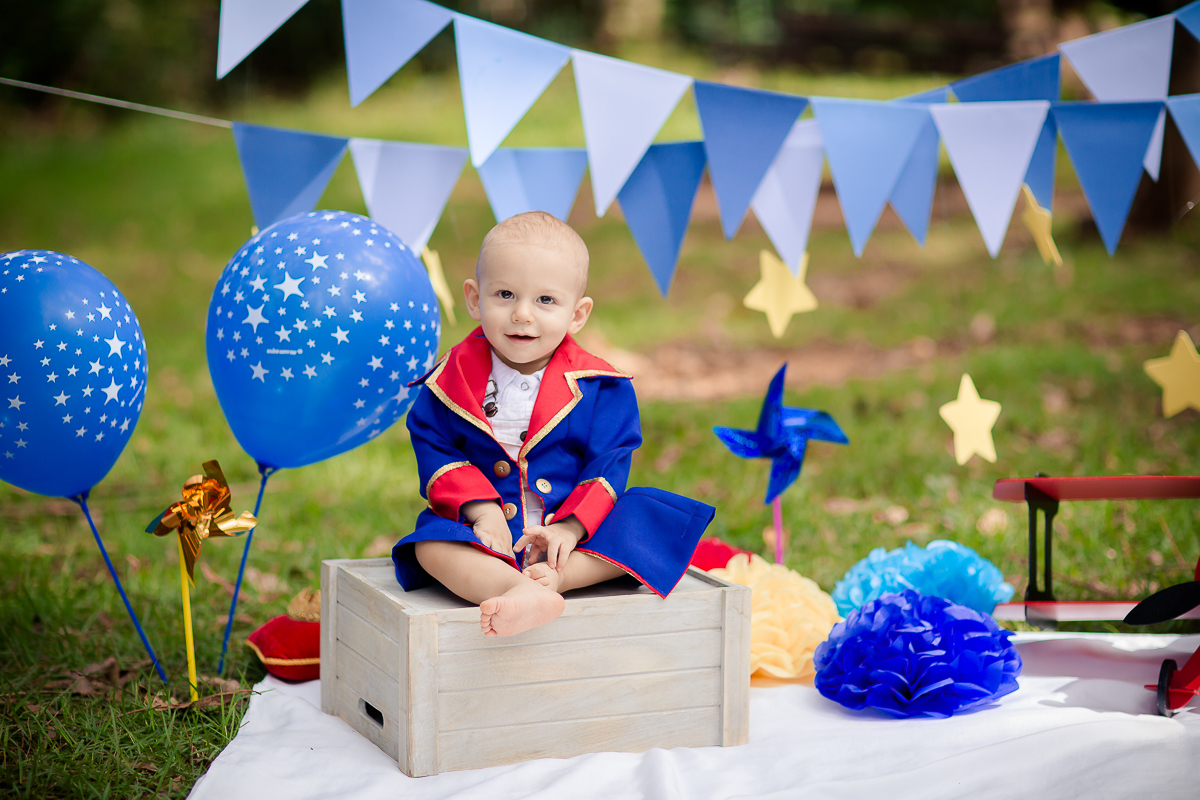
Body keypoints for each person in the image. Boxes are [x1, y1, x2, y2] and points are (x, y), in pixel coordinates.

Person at [391, 211, 713, 637]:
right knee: (430, 546)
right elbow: (436, 447)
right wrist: (482, 511)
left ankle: (558, 578)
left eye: (545, 301)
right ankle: (513, 587)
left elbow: (608, 462)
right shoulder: (447, 381)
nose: (523, 314)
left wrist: (571, 526)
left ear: (577, 314)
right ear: (474, 298)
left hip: (570, 532)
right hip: (486, 534)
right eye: (505, 294)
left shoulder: (601, 387)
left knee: (649, 521)